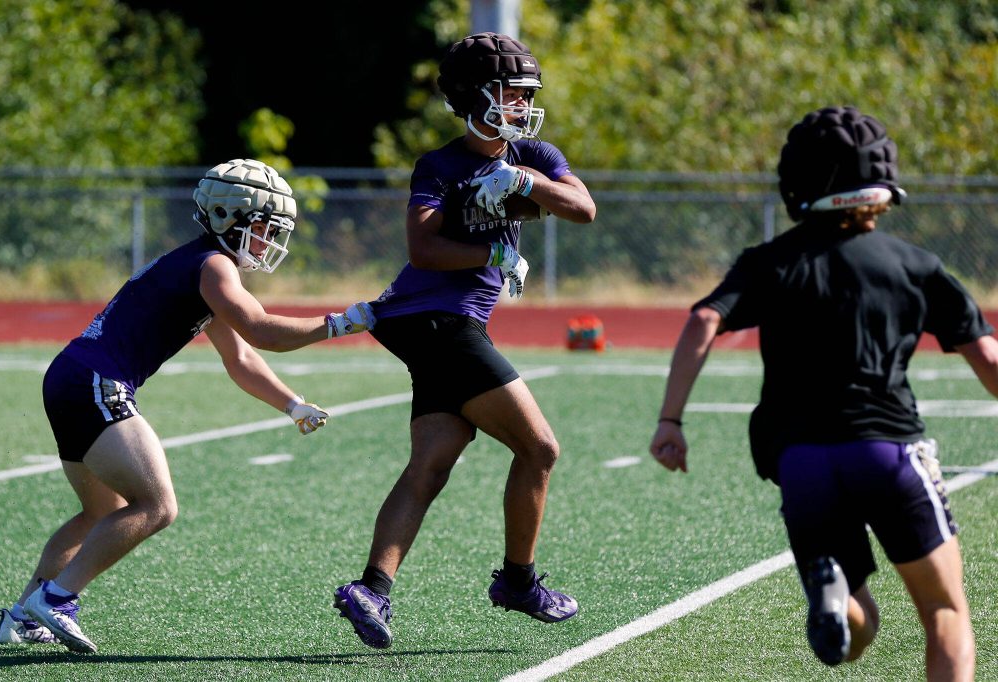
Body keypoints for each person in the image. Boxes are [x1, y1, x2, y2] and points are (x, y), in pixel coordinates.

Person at [650, 106, 992, 680]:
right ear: (883, 181)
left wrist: (670, 420)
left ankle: (836, 596)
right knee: (945, 611)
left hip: (802, 460)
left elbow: (703, 321)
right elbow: (986, 356)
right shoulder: (914, 264)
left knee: (857, 627)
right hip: (888, 452)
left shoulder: (769, 263)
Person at [0, 159, 375, 653]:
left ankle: (24, 615)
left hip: (71, 375)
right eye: (263, 229)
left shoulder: (202, 265)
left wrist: (292, 404)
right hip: (95, 380)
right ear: (231, 220)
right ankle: (58, 597)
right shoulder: (214, 266)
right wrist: (343, 322)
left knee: (99, 509)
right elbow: (261, 330)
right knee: (157, 505)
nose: (268, 242)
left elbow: (240, 355)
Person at [330, 32, 596, 649]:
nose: (523, 104)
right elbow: (422, 247)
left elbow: (582, 208)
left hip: (450, 325)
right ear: (473, 97)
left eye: (527, 93)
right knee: (540, 450)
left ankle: (372, 587)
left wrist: (520, 181)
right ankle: (519, 581)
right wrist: (494, 249)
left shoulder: (533, 153)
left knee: (432, 460)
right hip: (432, 318)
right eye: (510, 92)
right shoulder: (441, 165)